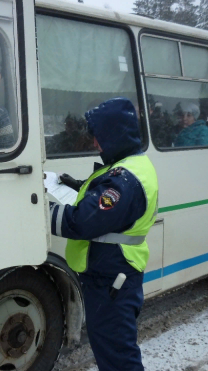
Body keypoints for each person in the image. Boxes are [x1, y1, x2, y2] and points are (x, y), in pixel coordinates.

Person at [49, 98, 158, 371]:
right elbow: (106, 211)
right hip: (113, 277)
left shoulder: (124, 179)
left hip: (112, 281)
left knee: (118, 358)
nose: (95, 143)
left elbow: (81, 223)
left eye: (99, 136)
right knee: (114, 351)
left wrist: (41, 210)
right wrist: (80, 188)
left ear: (114, 134)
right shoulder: (128, 167)